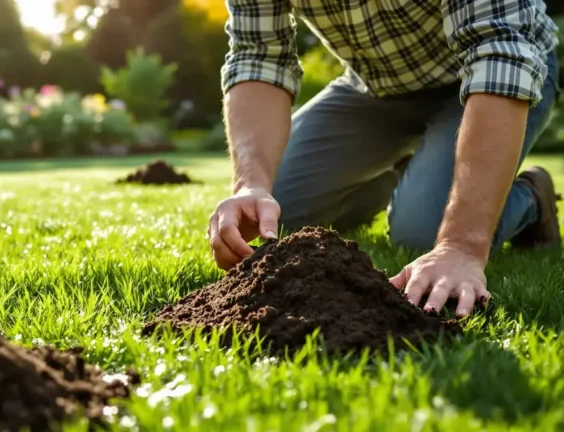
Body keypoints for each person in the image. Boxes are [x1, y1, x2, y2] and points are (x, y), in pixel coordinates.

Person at [208, 0, 561, 318]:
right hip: (376, 90)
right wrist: (250, 183)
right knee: (275, 212)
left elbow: (499, 53)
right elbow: (258, 56)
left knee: (422, 234)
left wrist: (462, 246)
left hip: (495, 68)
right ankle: (418, 172)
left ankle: (532, 197)